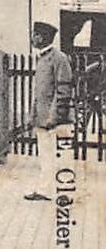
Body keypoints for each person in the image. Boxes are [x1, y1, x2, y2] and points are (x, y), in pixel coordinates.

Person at [24, 21, 75, 202]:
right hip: (43, 118)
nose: (32, 37)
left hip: (57, 120)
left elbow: (63, 89)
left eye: (34, 34)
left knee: (61, 158)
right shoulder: (42, 58)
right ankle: (45, 190)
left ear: (42, 37)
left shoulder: (59, 58)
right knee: (46, 156)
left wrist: (54, 117)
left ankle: (63, 193)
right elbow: (39, 93)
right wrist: (33, 115)